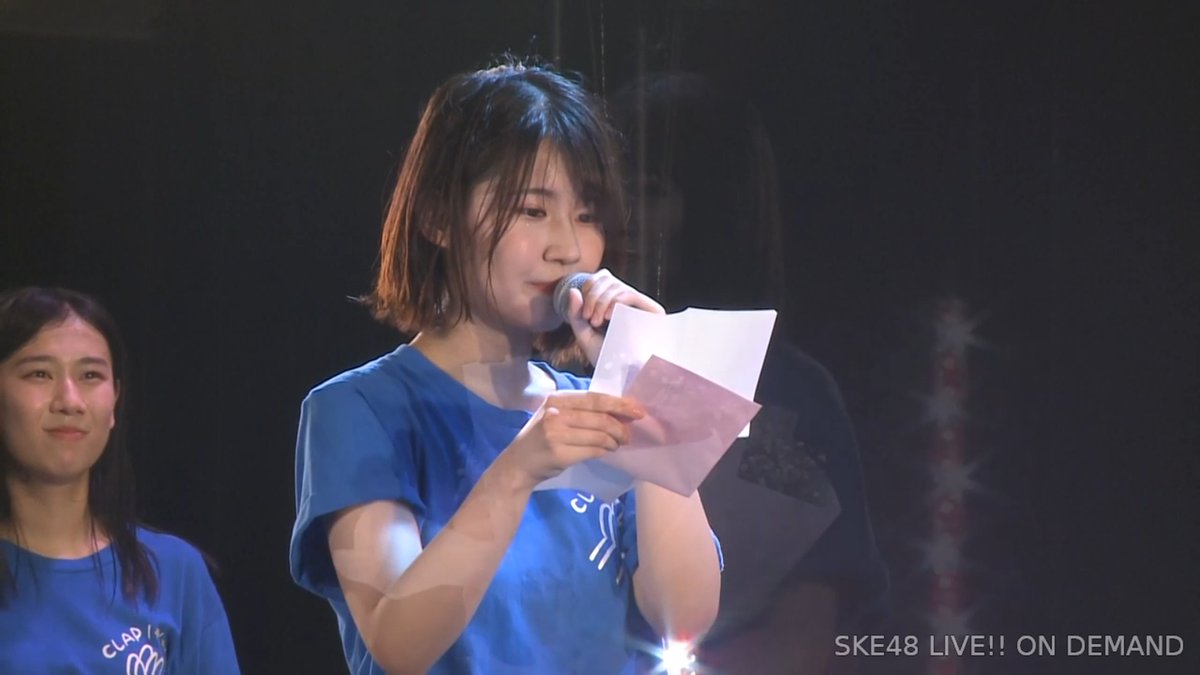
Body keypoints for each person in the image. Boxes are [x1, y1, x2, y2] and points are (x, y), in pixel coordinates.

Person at [288, 60, 722, 675]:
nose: (567, 248)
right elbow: (399, 644)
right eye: (532, 211)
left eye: (587, 215)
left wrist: (648, 381)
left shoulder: (609, 403)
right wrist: (517, 471)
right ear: (439, 218)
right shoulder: (359, 410)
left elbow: (686, 617)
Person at [612, 73, 889, 674]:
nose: (621, 218)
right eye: (607, 193)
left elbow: (802, 634)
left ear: (716, 211)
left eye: (650, 193)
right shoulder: (548, 367)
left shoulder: (784, 398)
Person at [0, 286, 241, 674]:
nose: (69, 401)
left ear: (114, 400)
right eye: (39, 374)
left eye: (90, 375)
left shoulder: (174, 571)